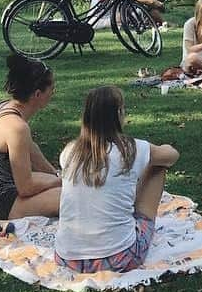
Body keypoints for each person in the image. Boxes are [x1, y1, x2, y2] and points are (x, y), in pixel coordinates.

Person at [54, 86, 179, 274]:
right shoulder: (130, 149)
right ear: (118, 114)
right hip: (119, 256)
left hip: (67, 258)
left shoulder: (70, 152)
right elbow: (171, 156)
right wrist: (165, 146)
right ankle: (137, 220)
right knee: (158, 166)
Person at [0, 54, 62, 220]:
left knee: (70, 189)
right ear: (37, 94)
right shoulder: (16, 127)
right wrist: (57, 182)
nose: (53, 93)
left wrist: (56, 175)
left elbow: (32, 151)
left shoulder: (5, 108)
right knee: (70, 199)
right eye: (52, 88)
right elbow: (26, 187)